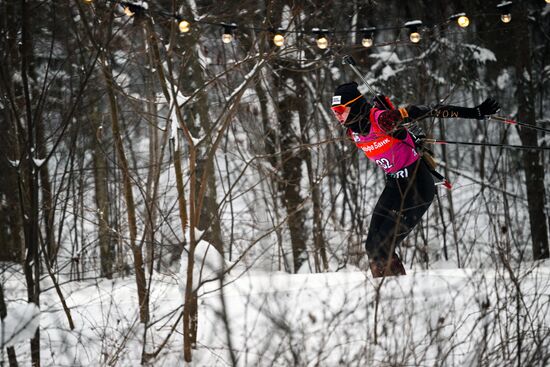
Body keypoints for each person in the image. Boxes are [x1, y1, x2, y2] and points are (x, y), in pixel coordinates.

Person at [331, 82, 500, 277]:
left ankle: (394, 292)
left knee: (382, 246)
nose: (337, 115)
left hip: (417, 187)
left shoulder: (383, 120)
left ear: (355, 105)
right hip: (395, 185)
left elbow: (428, 111)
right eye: (334, 111)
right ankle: (387, 291)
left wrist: (474, 112)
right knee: (372, 246)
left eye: (340, 110)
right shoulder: (352, 133)